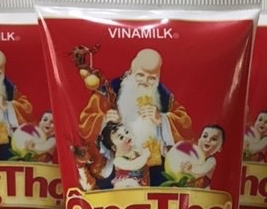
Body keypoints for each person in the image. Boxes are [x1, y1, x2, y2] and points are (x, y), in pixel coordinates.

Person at [78, 48, 192, 185]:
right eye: (140, 75)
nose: (145, 81)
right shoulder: (110, 90)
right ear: (130, 72)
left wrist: (162, 119)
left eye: (151, 78)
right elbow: (85, 122)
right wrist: (104, 120)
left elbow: (185, 124)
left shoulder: (163, 95)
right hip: (117, 168)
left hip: (155, 168)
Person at [98, 121, 149, 188]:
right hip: (125, 189)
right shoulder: (118, 160)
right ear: (114, 147)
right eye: (121, 137)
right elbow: (134, 165)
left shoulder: (136, 152)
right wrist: (145, 156)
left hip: (142, 185)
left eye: (126, 132)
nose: (126, 136)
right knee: (130, 182)